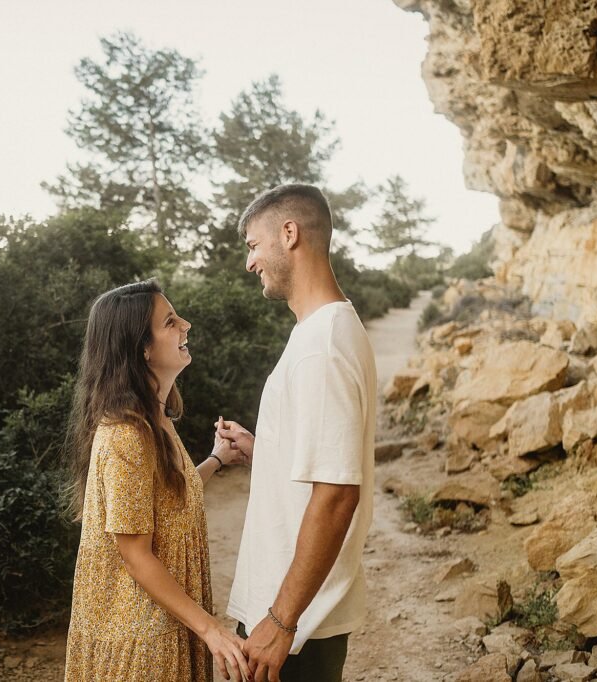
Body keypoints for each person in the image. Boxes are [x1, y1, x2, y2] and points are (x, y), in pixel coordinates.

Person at [218, 184, 376, 682]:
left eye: (252, 245)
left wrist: (282, 620)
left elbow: (335, 494)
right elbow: (328, 461)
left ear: (289, 234)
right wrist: (266, 453)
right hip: (294, 610)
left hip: (294, 620)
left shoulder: (321, 345)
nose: (249, 263)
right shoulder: (322, 332)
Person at [64, 280, 252, 682]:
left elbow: (166, 498)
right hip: (138, 634)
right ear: (142, 348)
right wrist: (211, 630)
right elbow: (136, 555)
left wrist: (216, 460)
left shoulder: (156, 418)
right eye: (170, 321)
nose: (186, 325)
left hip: (161, 622)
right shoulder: (125, 434)